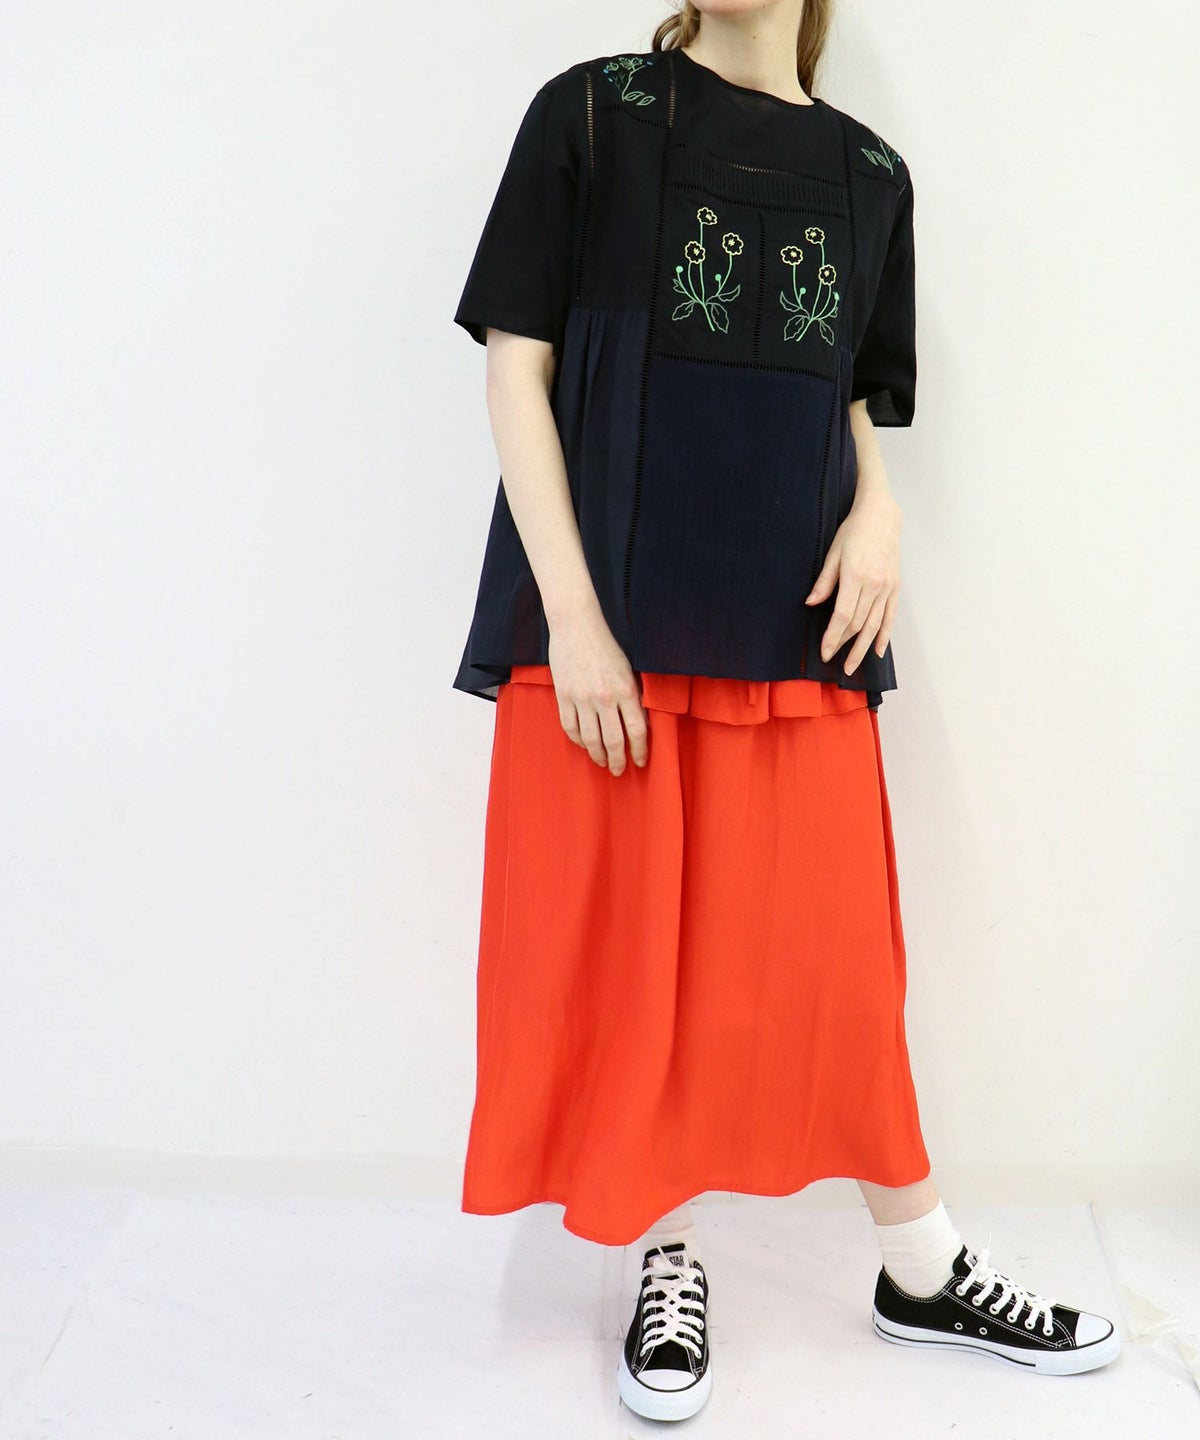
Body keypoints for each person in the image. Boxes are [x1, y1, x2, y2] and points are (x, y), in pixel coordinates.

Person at [449, 0, 1121, 1422]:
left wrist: (881, 511)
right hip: (615, 631)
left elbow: (845, 395)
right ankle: (669, 1256)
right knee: (641, 966)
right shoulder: (594, 114)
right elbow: (517, 365)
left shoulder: (871, 175)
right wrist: (572, 621)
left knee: (836, 967)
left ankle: (921, 1267)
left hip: (797, 624)